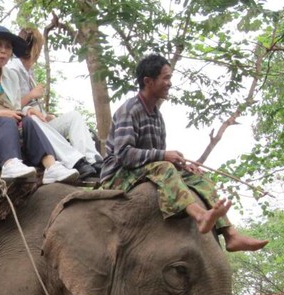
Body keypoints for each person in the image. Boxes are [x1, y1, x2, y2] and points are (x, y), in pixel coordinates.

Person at [100, 53, 268, 252]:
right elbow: (124, 155)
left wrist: (181, 165)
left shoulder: (157, 116)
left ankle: (230, 234)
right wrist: (164, 156)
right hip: (118, 174)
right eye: (166, 77)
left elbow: (156, 155)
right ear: (148, 81)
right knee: (164, 167)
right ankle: (200, 216)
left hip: (144, 170)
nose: (170, 83)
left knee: (197, 175)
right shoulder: (130, 109)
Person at [0, 26, 79, 185]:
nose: (3, 51)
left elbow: (16, 108)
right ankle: (10, 163)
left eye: (8, 47)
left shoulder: (11, 76)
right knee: (7, 120)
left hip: (8, 121)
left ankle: (51, 167)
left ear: (11, 53)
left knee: (29, 120)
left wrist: (28, 110)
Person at [8, 27, 103, 179]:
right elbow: (10, 106)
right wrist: (32, 95)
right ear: (36, 47)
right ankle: (75, 161)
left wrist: (46, 115)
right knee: (34, 120)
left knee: (74, 117)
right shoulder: (12, 69)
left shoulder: (29, 71)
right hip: (25, 127)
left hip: (40, 121)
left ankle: (94, 160)